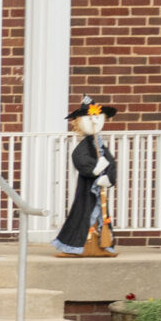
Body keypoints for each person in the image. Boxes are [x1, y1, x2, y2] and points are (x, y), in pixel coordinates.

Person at [52, 99, 119, 258]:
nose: (95, 121)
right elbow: (79, 159)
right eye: (90, 118)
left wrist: (108, 178)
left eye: (97, 117)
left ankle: (102, 246)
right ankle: (75, 246)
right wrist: (95, 169)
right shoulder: (84, 147)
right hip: (87, 188)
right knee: (83, 212)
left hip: (98, 187)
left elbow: (111, 164)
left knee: (102, 215)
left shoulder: (100, 145)